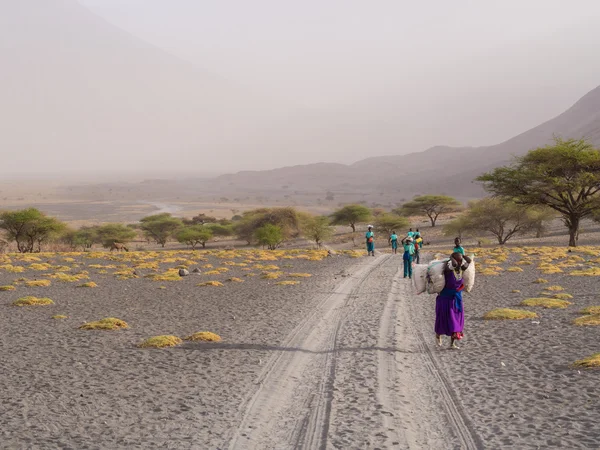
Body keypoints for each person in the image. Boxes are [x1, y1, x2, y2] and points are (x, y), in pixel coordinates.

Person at [435, 252, 472, 349]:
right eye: (458, 260)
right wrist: (452, 258)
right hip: (445, 298)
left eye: (460, 260)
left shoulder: (461, 268)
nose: (459, 262)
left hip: (456, 298)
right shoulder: (448, 269)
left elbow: (469, 261)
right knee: (443, 319)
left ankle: (452, 344)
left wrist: (463, 256)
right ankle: (438, 335)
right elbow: (454, 264)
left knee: (455, 321)